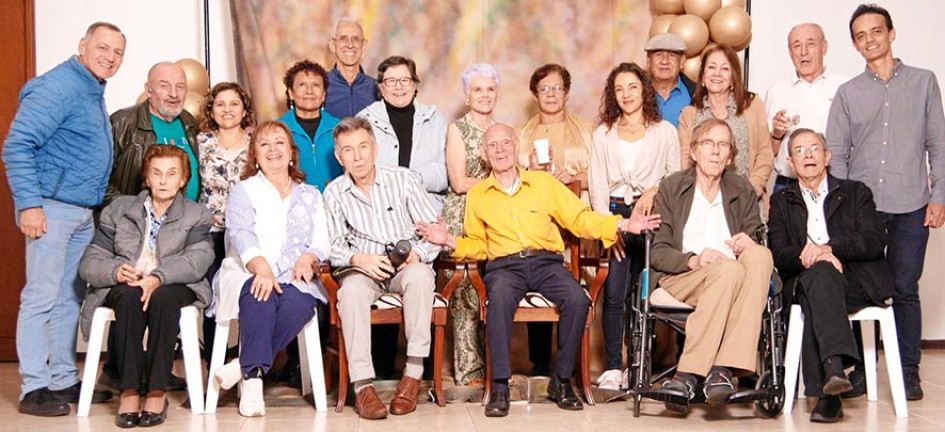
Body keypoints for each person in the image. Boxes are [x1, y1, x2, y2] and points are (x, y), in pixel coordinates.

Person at [417, 124, 661, 417]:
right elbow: (478, 245)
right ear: (483, 154)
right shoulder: (479, 195)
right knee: (499, 300)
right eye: (492, 145)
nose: (500, 150)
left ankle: (561, 381)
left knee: (577, 299)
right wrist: (448, 240)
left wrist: (622, 224)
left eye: (505, 143)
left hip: (547, 263)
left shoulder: (543, 184)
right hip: (504, 267)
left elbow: (580, 219)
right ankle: (499, 387)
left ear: (516, 146)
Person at [2, 21, 124, 417]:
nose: (110, 57)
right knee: (41, 296)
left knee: (68, 296)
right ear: (82, 45)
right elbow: (17, 144)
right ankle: (34, 387)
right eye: (103, 48)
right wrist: (30, 204)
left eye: (117, 53)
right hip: (51, 208)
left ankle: (61, 377)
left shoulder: (90, 88)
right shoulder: (58, 86)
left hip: (79, 212)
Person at [826, 3, 945, 401]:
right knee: (863, 290)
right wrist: (840, 211)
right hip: (864, 211)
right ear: (855, 45)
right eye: (860, 36)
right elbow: (838, 155)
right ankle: (861, 370)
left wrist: (939, 195)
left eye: (876, 31)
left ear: (891, 34)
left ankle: (908, 371)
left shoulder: (925, 82)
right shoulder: (848, 93)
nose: (869, 40)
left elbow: (938, 146)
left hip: (912, 202)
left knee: (905, 288)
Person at [78, 145, 213, 428]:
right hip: (127, 282)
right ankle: (129, 391)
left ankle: (155, 391)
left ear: (183, 179)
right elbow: (91, 260)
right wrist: (116, 271)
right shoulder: (119, 210)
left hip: (174, 283)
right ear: (146, 178)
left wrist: (159, 276)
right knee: (128, 298)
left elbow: (198, 259)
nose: (163, 181)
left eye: (171, 173)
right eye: (157, 173)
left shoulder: (197, 214)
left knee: (163, 299)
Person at [768, 128, 893, 423]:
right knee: (819, 277)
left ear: (827, 156)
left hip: (856, 281)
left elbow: (874, 240)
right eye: (799, 150)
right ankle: (833, 375)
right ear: (790, 162)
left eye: (814, 148)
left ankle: (828, 390)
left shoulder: (855, 192)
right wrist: (806, 255)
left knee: (820, 282)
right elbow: (778, 252)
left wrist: (830, 248)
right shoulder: (781, 201)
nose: (807, 154)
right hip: (805, 278)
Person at [650, 118, 772, 414]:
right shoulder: (672, 187)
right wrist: (692, 259)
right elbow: (658, 252)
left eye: (723, 145)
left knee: (760, 256)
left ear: (730, 156)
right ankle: (695, 371)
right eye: (708, 144)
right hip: (684, 276)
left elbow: (756, 238)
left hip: (733, 275)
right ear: (693, 152)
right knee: (728, 269)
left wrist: (748, 244)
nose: (716, 152)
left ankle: (720, 367)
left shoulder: (741, 189)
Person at [323, 117, 442, 420]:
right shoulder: (334, 193)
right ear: (339, 157)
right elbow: (330, 245)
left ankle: (412, 376)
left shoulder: (403, 180)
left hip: (404, 265)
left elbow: (435, 231)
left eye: (363, 147)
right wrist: (357, 259)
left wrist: (418, 252)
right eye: (348, 150)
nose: (357, 156)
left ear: (375, 148)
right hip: (364, 270)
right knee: (349, 293)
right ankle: (363, 386)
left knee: (419, 277)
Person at [210, 121, 331, 417]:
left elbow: (322, 241)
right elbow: (240, 233)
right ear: (255, 156)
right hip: (249, 270)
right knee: (259, 296)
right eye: (264, 144)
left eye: (280, 143)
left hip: (295, 274)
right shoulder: (244, 190)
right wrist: (261, 268)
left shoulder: (311, 194)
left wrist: (309, 257)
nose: (273, 149)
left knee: (300, 304)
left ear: (291, 153)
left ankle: (243, 367)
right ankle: (252, 385)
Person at [587, 62, 680, 390]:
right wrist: (608, 228)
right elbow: (596, 181)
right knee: (614, 293)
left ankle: (642, 364)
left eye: (633, 87)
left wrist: (654, 189)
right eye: (619, 89)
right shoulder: (603, 133)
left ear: (645, 90)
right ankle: (614, 365)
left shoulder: (664, 131)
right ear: (613, 95)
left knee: (646, 293)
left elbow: (676, 176)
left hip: (652, 217)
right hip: (616, 216)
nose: (626, 94)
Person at [517, 63, 596, 377]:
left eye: (557, 88)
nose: (550, 94)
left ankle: (577, 365)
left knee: (576, 291)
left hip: (577, 222)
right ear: (535, 95)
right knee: (537, 282)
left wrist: (575, 177)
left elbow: (604, 174)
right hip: (538, 224)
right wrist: (533, 174)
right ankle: (540, 364)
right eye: (544, 89)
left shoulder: (587, 130)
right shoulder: (523, 134)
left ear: (566, 92)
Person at [442, 64, 499, 388]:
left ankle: (493, 365)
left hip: (494, 215)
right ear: (467, 95)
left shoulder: (502, 130)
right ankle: (468, 370)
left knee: (491, 288)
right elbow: (460, 182)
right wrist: (495, 178)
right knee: (464, 291)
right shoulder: (457, 129)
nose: (484, 95)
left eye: (490, 89)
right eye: (478, 89)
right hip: (462, 215)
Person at [196, 82, 255, 367]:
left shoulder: (257, 142)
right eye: (220, 104)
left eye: (234, 103)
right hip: (209, 233)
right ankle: (213, 366)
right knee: (212, 297)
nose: (227, 109)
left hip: (248, 233)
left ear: (244, 110)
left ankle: (248, 365)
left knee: (250, 295)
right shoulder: (201, 142)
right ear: (211, 109)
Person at [678, 44, 773, 200]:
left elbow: (764, 152)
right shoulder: (689, 115)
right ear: (702, 76)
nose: (717, 74)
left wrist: (751, 188)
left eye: (724, 68)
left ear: (733, 78)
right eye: (711, 67)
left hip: (748, 200)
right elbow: (686, 161)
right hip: (704, 201)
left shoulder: (752, 104)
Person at [357, 55, 448, 210]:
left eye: (405, 80)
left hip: (427, 214)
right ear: (381, 87)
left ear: (414, 85)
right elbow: (356, 170)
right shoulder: (363, 121)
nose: (398, 87)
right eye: (391, 81)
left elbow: (447, 171)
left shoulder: (435, 120)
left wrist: (413, 179)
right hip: (379, 213)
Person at [764, 23, 846, 193]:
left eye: (810, 44)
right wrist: (776, 135)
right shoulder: (776, 91)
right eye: (796, 45)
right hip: (787, 186)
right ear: (789, 52)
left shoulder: (844, 87)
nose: (803, 52)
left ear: (824, 47)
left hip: (833, 186)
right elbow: (765, 153)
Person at [108, 62, 200, 204]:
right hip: (137, 223)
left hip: (187, 221)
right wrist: (130, 210)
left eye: (180, 87)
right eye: (164, 86)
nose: (174, 94)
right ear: (148, 90)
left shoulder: (189, 122)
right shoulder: (123, 122)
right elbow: (94, 178)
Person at [278, 60, 342, 192]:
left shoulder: (340, 128)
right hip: (293, 205)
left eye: (316, 85)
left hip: (336, 203)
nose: (309, 91)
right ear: (290, 93)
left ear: (323, 95)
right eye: (302, 85)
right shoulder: (278, 130)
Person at [324, 17, 378, 119]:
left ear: (364, 45)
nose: (350, 45)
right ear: (332, 45)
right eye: (343, 39)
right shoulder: (321, 87)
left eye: (356, 39)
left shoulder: (378, 88)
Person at [644, 33, 697, 127]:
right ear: (648, 61)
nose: (664, 61)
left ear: (682, 61)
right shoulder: (637, 93)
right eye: (658, 55)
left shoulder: (696, 93)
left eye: (672, 55)